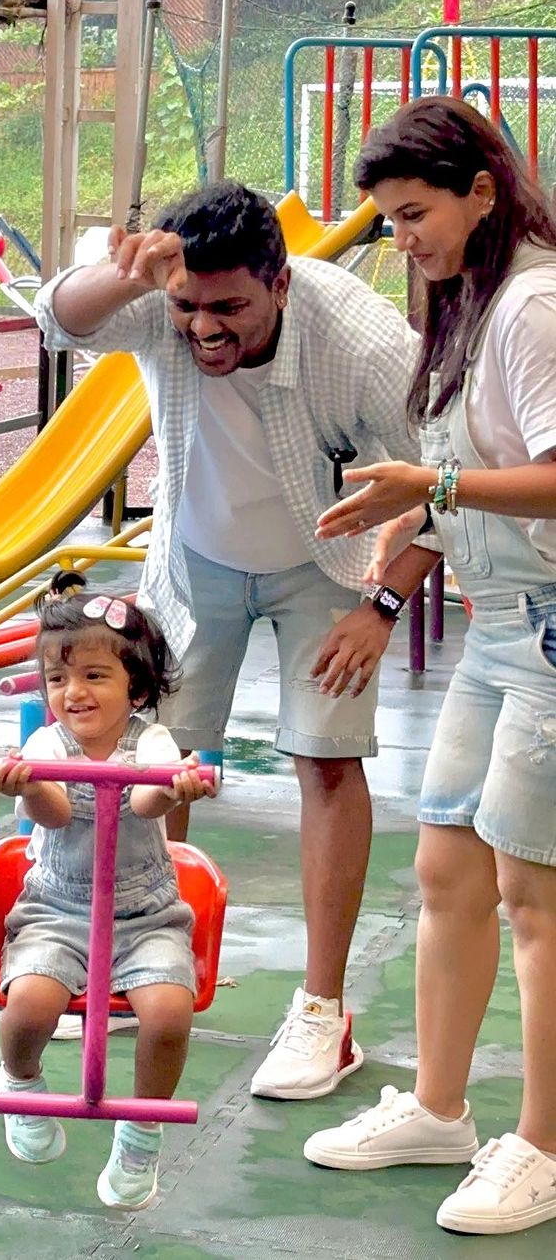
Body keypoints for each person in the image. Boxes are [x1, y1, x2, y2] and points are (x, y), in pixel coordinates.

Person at [35, 180, 433, 1101]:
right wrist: (129, 276)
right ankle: (136, 954)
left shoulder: (366, 344)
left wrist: (381, 606)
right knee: (149, 761)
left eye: (231, 309)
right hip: (196, 560)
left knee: (326, 759)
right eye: (189, 307)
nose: (205, 329)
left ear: (280, 284)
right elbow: (58, 320)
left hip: (324, 567)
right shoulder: (159, 297)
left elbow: (449, 475)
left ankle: (323, 1012)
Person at [303, 96, 556, 1238]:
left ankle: (542, 1145)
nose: (402, 237)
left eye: (416, 214)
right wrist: (403, 540)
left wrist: (431, 486)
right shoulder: (468, 305)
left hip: (548, 628)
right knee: (448, 871)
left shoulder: (533, 304)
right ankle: (441, 1112)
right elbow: (461, 483)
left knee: (536, 898)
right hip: (496, 626)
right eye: (390, 220)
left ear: (482, 193)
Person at [0, 570, 215, 1210]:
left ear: (135, 686)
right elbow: (56, 814)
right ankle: (21, 1081)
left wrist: (174, 786)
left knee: (168, 1013)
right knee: (31, 1003)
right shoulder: (46, 743)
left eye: (94, 675)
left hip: (145, 915)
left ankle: (141, 1129)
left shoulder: (152, 741)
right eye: (58, 679)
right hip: (56, 910)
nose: (73, 692)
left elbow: (142, 802)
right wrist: (29, 784)